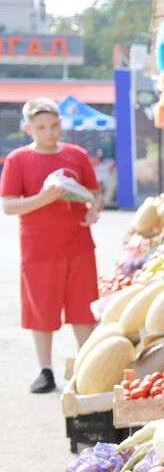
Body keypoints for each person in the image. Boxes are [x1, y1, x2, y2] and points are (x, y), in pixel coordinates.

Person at [1, 98, 102, 393]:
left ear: (61, 123)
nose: (49, 132)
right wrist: (46, 198)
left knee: (83, 309)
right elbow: (8, 206)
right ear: (27, 128)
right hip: (38, 249)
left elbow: (95, 194)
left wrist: (94, 210)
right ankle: (45, 370)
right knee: (41, 311)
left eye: (54, 125)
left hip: (79, 245)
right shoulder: (18, 159)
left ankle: (86, 367)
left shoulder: (77, 155)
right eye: (41, 127)